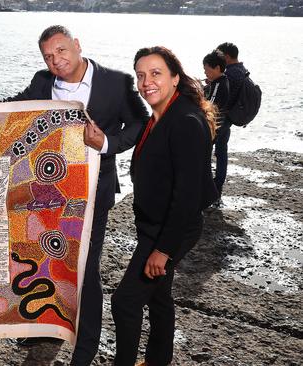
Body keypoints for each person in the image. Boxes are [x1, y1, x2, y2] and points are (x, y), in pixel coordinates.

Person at [0, 25, 148, 365]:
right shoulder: (41, 82)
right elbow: (8, 110)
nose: (56, 60)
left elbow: (140, 123)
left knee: (85, 271)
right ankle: (43, 326)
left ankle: (86, 346)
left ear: (77, 45)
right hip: (47, 190)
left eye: (61, 51)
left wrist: (106, 143)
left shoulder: (117, 83)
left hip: (92, 194)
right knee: (44, 258)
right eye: (48, 56)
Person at [111, 46, 218, 366]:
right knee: (158, 297)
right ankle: (158, 361)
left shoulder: (185, 119)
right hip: (153, 226)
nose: (146, 82)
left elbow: (187, 194)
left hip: (171, 230)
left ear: (174, 77)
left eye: (155, 73)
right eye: (140, 75)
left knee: (125, 302)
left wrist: (163, 249)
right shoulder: (162, 112)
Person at [202, 49, 230, 198]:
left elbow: (210, 104)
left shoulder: (219, 84)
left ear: (217, 68)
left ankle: (212, 189)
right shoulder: (221, 81)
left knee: (206, 157)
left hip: (217, 126)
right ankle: (214, 188)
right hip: (222, 125)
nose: (205, 73)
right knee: (219, 155)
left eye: (207, 70)